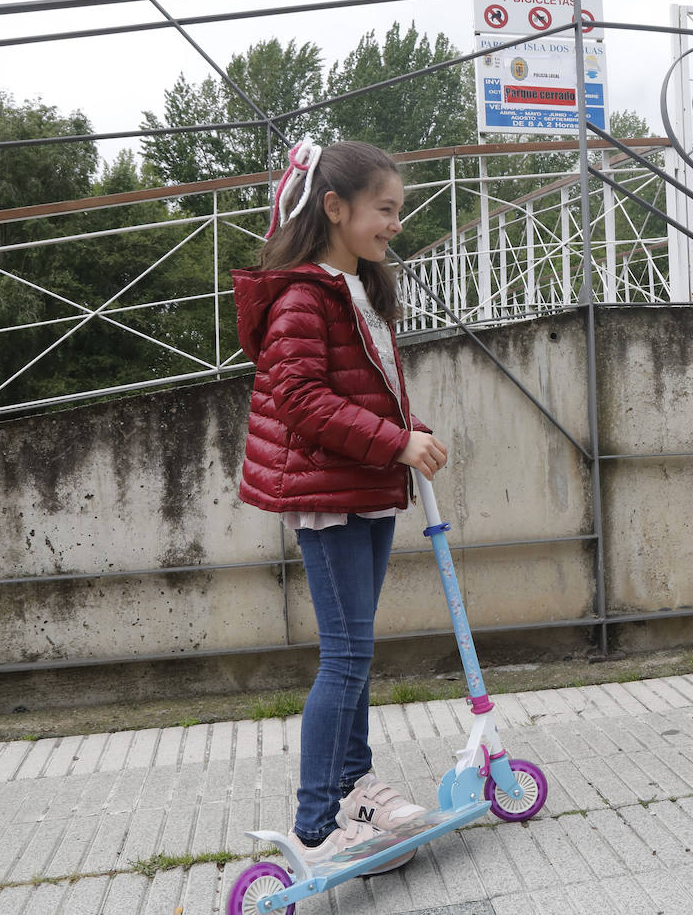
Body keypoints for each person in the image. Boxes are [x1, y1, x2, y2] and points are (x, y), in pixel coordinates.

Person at [234, 137, 448, 868]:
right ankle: (317, 824)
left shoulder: (359, 286)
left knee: (355, 655)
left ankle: (357, 789)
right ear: (334, 207)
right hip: (329, 496)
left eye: (399, 210)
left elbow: (364, 390)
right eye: (385, 209)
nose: (396, 223)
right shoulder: (302, 294)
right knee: (347, 654)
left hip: (363, 488)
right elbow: (299, 399)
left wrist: (405, 430)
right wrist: (393, 443)